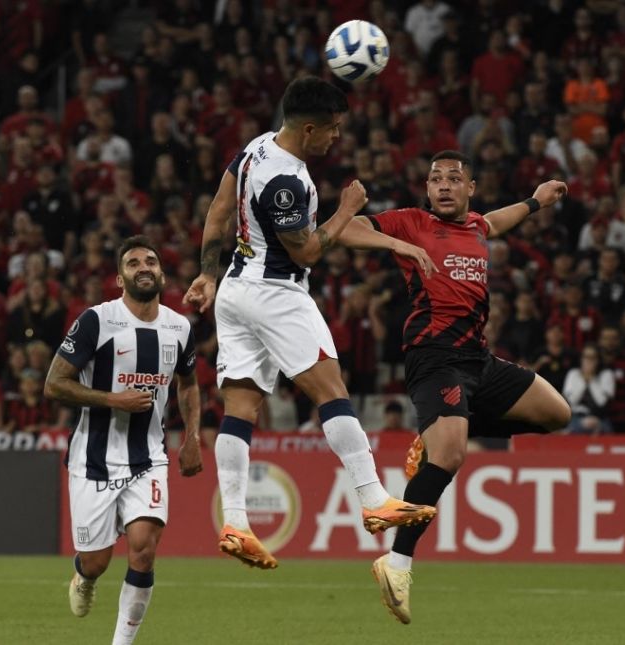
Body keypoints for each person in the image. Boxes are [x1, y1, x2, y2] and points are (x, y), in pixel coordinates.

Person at [183, 77, 438, 570]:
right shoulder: (287, 181)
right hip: (276, 293)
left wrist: (206, 274)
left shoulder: (257, 148)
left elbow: (218, 210)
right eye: (333, 130)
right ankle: (372, 498)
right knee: (330, 389)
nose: (336, 138)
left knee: (241, 406)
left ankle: (235, 520)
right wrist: (345, 209)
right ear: (308, 128)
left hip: (235, 293)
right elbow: (310, 250)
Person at [334, 150, 570, 623]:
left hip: (478, 360)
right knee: (452, 455)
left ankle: (440, 427)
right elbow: (347, 228)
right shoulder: (411, 222)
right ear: (427, 189)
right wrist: (395, 246)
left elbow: (497, 222)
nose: (442, 185)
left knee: (556, 414)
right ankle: (397, 562)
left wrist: (537, 201)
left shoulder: (477, 227)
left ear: (470, 189)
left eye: (453, 178)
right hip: (434, 358)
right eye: (435, 178)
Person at [43, 235, 203, 645]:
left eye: (151, 261)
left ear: (162, 272)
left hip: (148, 458)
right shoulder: (96, 321)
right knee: (96, 562)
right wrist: (112, 399)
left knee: (143, 549)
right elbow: (54, 384)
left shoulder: (179, 327)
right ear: (120, 278)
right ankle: (83, 575)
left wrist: (192, 437)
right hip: (93, 460)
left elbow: (188, 385)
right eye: (133, 263)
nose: (144, 267)